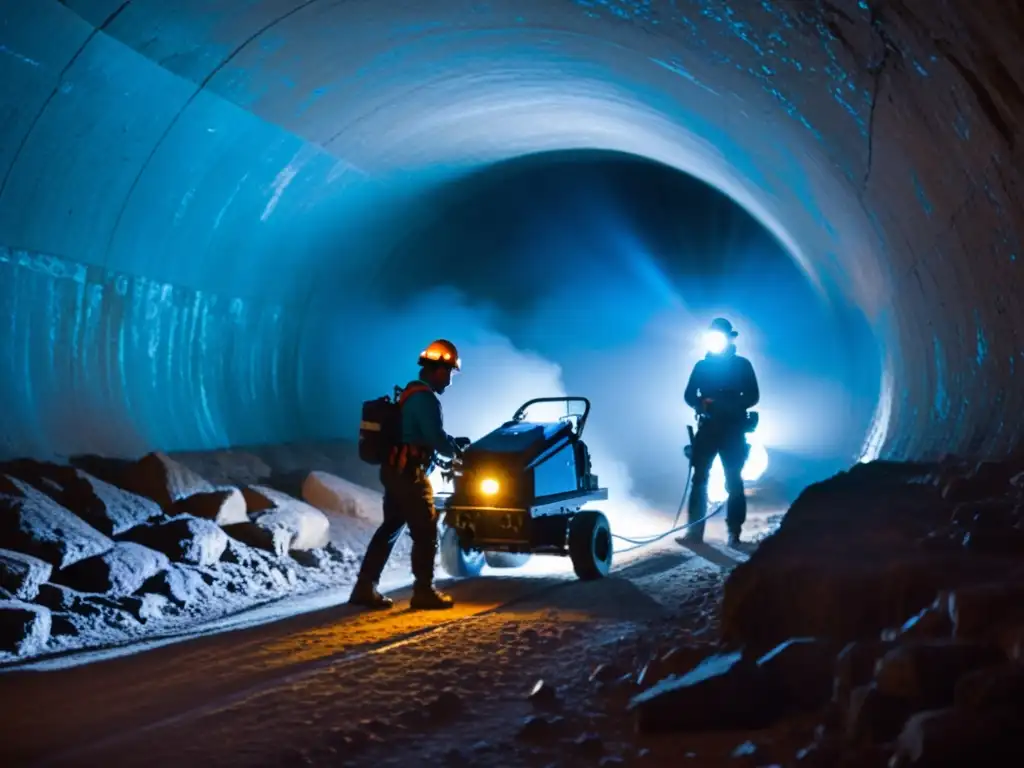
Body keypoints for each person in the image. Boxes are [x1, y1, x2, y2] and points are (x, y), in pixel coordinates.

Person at [348, 339, 470, 611]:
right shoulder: (425, 399)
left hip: (393, 471)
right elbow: (435, 439)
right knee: (426, 531)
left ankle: (364, 587)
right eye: (449, 373)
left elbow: (418, 435)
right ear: (438, 370)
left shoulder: (408, 394)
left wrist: (447, 443)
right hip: (410, 475)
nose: (449, 380)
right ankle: (424, 592)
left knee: (390, 527)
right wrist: (456, 449)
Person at [683, 318, 760, 547]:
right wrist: (703, 404)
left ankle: (734, 532)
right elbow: (688, 395)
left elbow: (754, 395)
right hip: (708, 429)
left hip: (733, 430)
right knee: (699, 478)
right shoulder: (702, 366)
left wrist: (732, 405)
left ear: (729, 338)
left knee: (734, 480)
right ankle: (694, 532)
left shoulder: (742, 365)